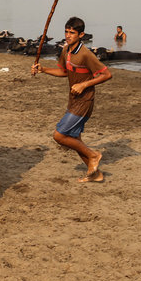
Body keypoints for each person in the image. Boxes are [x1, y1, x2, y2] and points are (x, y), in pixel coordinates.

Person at [32, 17, 112, 182]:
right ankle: (95, 174)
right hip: (73, 100)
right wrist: (43, 69)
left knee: (59, 136)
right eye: (66, 32)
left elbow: (107, 74)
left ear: (81, 34)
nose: (68, 36)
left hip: (85, 100)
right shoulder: (66, 50)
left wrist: (84, 85)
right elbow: (63, 72)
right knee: (74, 139)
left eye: (72, 33)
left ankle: (93, 155)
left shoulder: (85, 54)